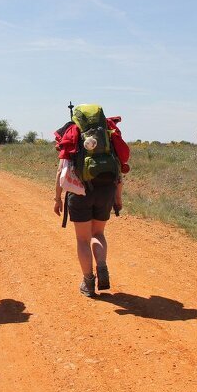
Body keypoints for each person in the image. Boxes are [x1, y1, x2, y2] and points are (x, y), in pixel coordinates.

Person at [53, 104, 130, 297]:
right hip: (106, 191)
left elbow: (61, 171)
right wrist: (118, 197)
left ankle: (88, 282)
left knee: (82, 239)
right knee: (98, 234)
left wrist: (57, 198)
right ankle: (102, 265)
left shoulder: (72, 133)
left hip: (80, 193)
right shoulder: (107, 134)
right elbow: (119, 168)